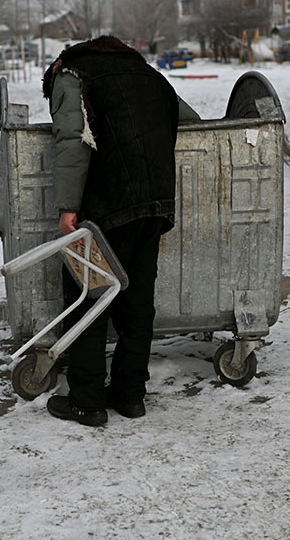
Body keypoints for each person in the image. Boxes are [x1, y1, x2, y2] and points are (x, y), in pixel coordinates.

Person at [42, 35, 199, 427]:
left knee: (87, 299)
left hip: (106, 206)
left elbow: (71, 142)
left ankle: (87, 401)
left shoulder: (74, 75)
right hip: (157, 204)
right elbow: (192, 122)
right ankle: (130, 396)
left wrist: (67, 208)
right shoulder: (152, 77)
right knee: (137, 303)